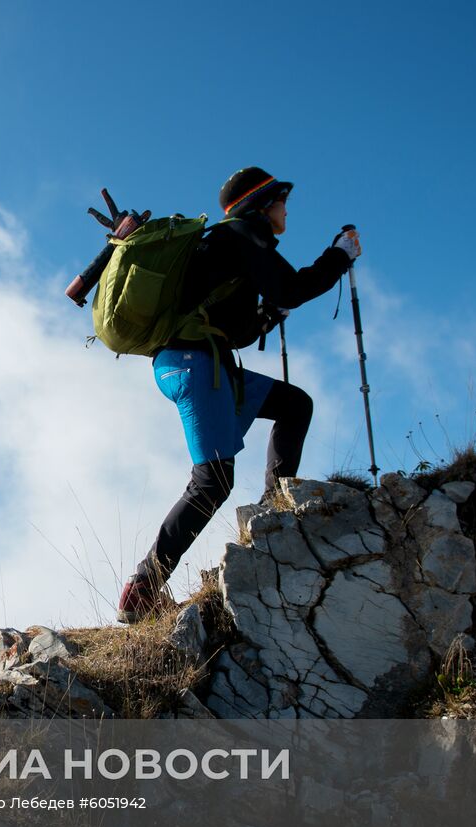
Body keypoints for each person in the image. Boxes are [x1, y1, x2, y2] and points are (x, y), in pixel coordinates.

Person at [117, 168, 361, 623]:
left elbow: (238, 328)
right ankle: (143, 587)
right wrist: (339, 256)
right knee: (213, 482)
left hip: (203, 364)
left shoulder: (228, 244)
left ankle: (275, 513)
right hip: (196, 365)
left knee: (294, 404)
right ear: (261, 205)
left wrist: (268, 314)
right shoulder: (244, 235)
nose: (286, 209)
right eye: (281, 201)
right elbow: (293, 286)